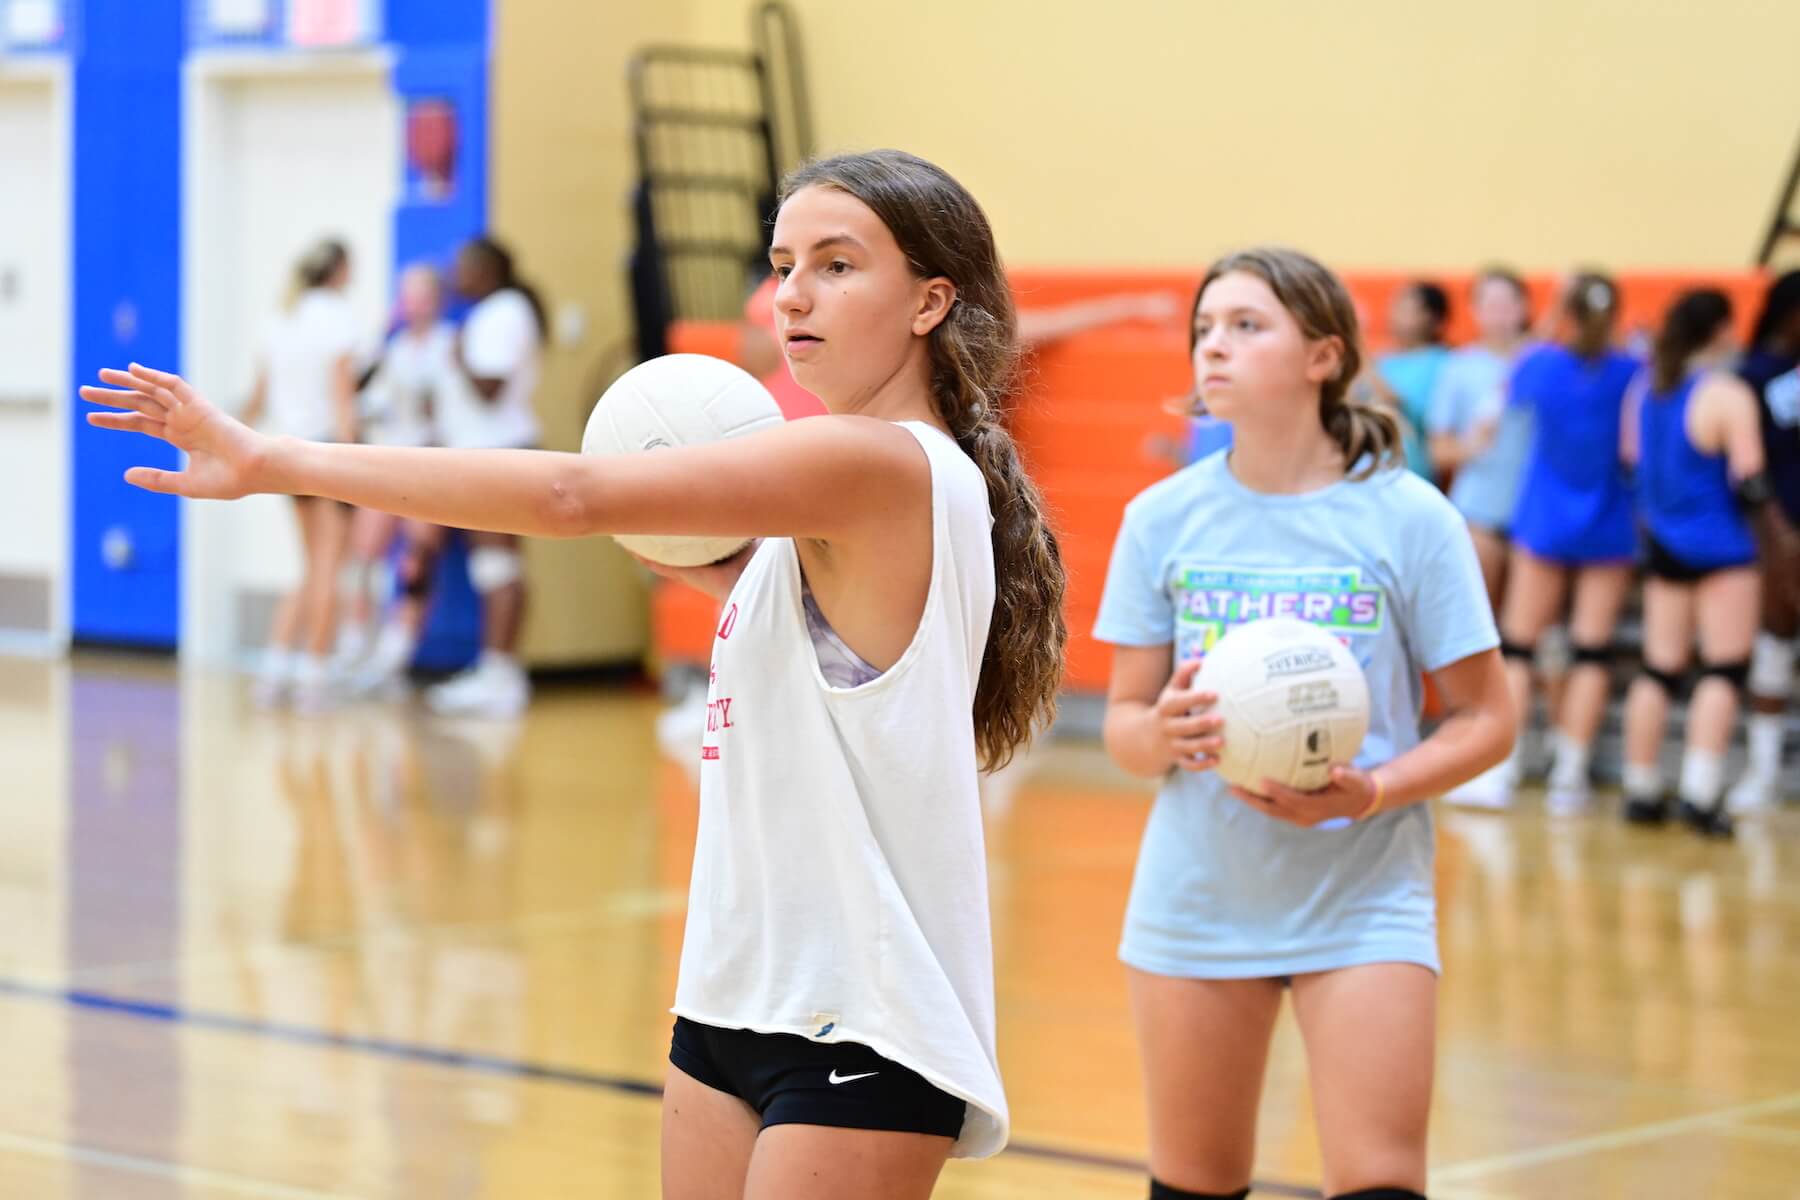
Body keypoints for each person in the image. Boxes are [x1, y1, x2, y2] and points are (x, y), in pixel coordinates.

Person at [84, 147, 1066, 1200]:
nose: (793, 296)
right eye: (783, 265)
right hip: (735, 995)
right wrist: (702, 564)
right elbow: (796, 633)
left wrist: (279, 460)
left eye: (836, 265)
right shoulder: (825, 501)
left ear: (929, 301)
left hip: (863, 1019)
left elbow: (569, 498)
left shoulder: (881, 464)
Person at [1094, 247, 1514, 1200]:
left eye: (1248, 326)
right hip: (1199, 898)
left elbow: (1489, 720)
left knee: (1379, 1181)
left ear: (1324, 355)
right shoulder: (1162, 518)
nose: (1215, 347)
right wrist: (1162, 732)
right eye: (1206, 328)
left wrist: (1374, 791)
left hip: (1364, 898)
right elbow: (1123, 727)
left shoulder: (1410, 518)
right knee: (1195, 1183)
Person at [1456, 273, 1639, 812]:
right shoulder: (1632, 369)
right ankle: (1570, 775)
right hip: (1609, 519)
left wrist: (1552, 315)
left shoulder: (1539, 364)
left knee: (1519, 643)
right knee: (1590, 649)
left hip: (1544, 519)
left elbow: (1501, 401)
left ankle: (1501, 770)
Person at [1617, 290, 1764, 836]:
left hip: (1662, 543)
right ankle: (1701, 796)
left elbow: (1631, 463)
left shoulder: (1646, 388)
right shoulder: (1725, 392)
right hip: (1722, 547)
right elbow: (1751, 480)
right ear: (1722, 330)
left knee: (1659, 669)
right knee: (1723, 669)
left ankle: (1641, 788)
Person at [421, 236, 549, 719]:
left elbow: (490, 389)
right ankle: (496, 673)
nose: (456, 276)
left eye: (465, 267)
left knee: (499, 567)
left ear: (488, 270)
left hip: (499, 452)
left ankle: (500, 677)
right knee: (493, 565)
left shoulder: (503, 312)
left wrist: (458, 357)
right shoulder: (496, 311)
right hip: (485, 452)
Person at [241, 238, 361, 711]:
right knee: (331, 567)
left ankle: (273, 669)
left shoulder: (279, 319)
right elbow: (343, 399)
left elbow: (258, 397)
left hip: (288, 456)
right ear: (339, 271)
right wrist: (355, 462)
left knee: (310, 567)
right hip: (329, 453)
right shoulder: (336, 317)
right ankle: (314, 675)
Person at [339, 263, 457, 697]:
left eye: (420, 294)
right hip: (389, 460)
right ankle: (353, 640)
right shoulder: (393, 347)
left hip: (433, 463)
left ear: (436, 299)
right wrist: (380, 333)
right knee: (364, 553)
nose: (412, 303)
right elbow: (360, 391)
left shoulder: (449, 345)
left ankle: (397, 648)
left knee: (416, 557)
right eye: (405, 295)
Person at [1726, 270, 1800, 812]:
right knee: (1773, 647)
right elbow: (1749, 469)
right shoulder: (1751, 376)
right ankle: (1762, 771)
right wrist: (1776, 533)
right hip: (1779, 533)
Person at [1426, 268, 1533, 612]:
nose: (1500, 313)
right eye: (1491, 304)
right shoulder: (1459, 368)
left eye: (1508, 303)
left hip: (1536, 513)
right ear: (1475, 310)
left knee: (1523, 632)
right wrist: (1472, 445)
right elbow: (1438, 450)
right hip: (1479, 511)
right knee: (1478, 617)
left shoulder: (1542, 362)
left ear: (1523, 308)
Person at [1367, 281, 1453, 482]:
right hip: (1374, 474)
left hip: (1412, 474)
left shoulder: (1442, 361)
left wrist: (1361, 359)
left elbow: (1401, 405)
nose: (1393, 314)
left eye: (1404, 308)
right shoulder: (1384, 360)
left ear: (1430, 317)